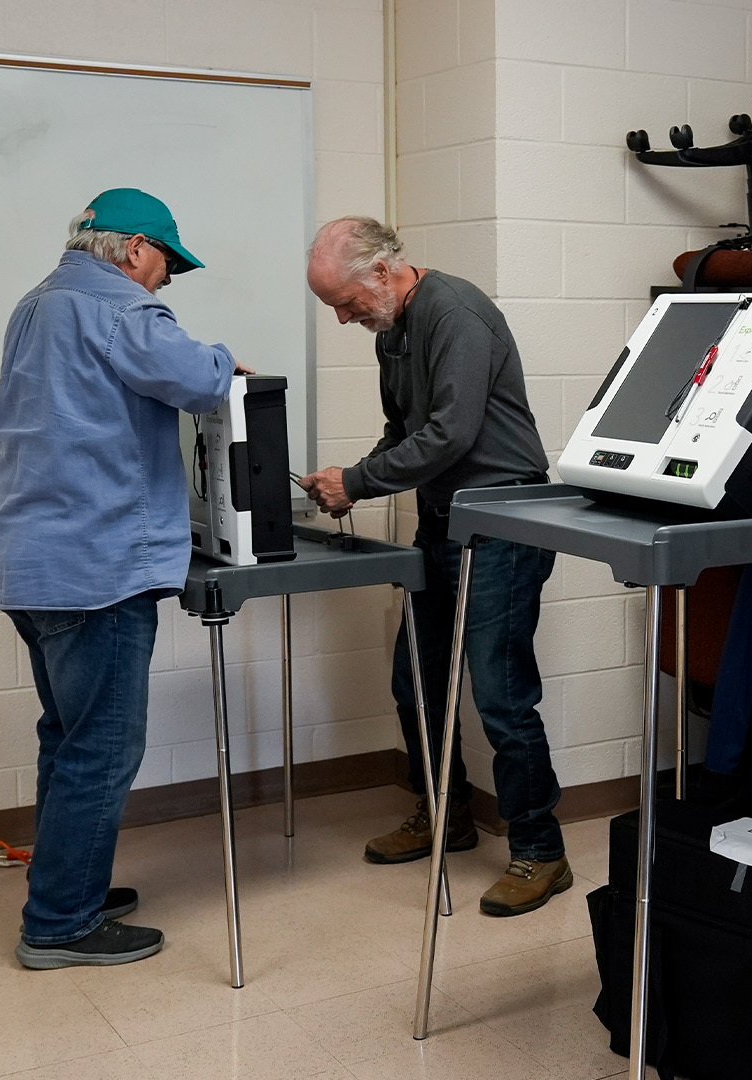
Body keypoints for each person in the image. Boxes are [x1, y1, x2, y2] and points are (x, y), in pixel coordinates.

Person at [0, 189, 237, 969]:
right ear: (133, 251)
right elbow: (202, 381)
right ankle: (60, 924)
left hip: (29, 563)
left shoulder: (37, 304)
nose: (166, 282)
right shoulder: (124, 311)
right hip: (97, 570)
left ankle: (71, 887)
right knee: (102, 748)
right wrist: (228, 362)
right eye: (165, 263)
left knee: (67, 739)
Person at [301, 216, 569, 917]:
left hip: (506, 522)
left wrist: (357, 481)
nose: (342, 317)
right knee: (415, 680)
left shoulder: (455, 312)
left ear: (385, 273)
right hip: (447, 520)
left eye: (348, 301)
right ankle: (445, 816)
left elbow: (452, 432)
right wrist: (353, 477)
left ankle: (542, 850)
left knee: (502, 696)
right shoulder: (392, 326)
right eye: (333, 304)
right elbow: (406, 431)